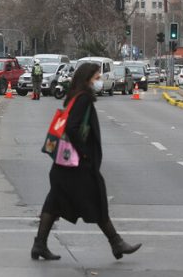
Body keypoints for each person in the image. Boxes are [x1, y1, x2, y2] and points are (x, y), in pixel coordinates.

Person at [32, 62, 141, 261]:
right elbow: (73, 128)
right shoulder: (82, 100)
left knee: (54, 203)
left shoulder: (75, 97)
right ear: (87, 79)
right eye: (96, 78)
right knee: (96, 200)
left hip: (63, 166)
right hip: (76, 166)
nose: (99, 82)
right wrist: (84, 154)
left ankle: (39, 244)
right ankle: (116, 242)